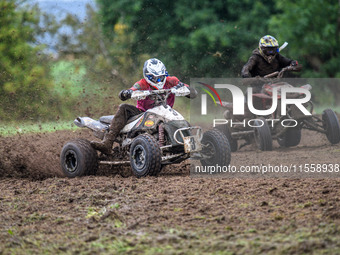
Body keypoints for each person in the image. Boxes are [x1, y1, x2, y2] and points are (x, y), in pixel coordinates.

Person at [91, 58, 197, 154]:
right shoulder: (142, 84)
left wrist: (182, 87)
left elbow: (193, 93)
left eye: (161, 77)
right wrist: (127, 93)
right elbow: (131, 90)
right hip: (142, 113)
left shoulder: (172, 81)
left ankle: (192, 147)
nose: (158, 81)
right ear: (147, 76)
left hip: (165, 112)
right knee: (124, 107)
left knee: (182, 122)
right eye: (154, 78)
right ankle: (107, 143)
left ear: (165, 74)